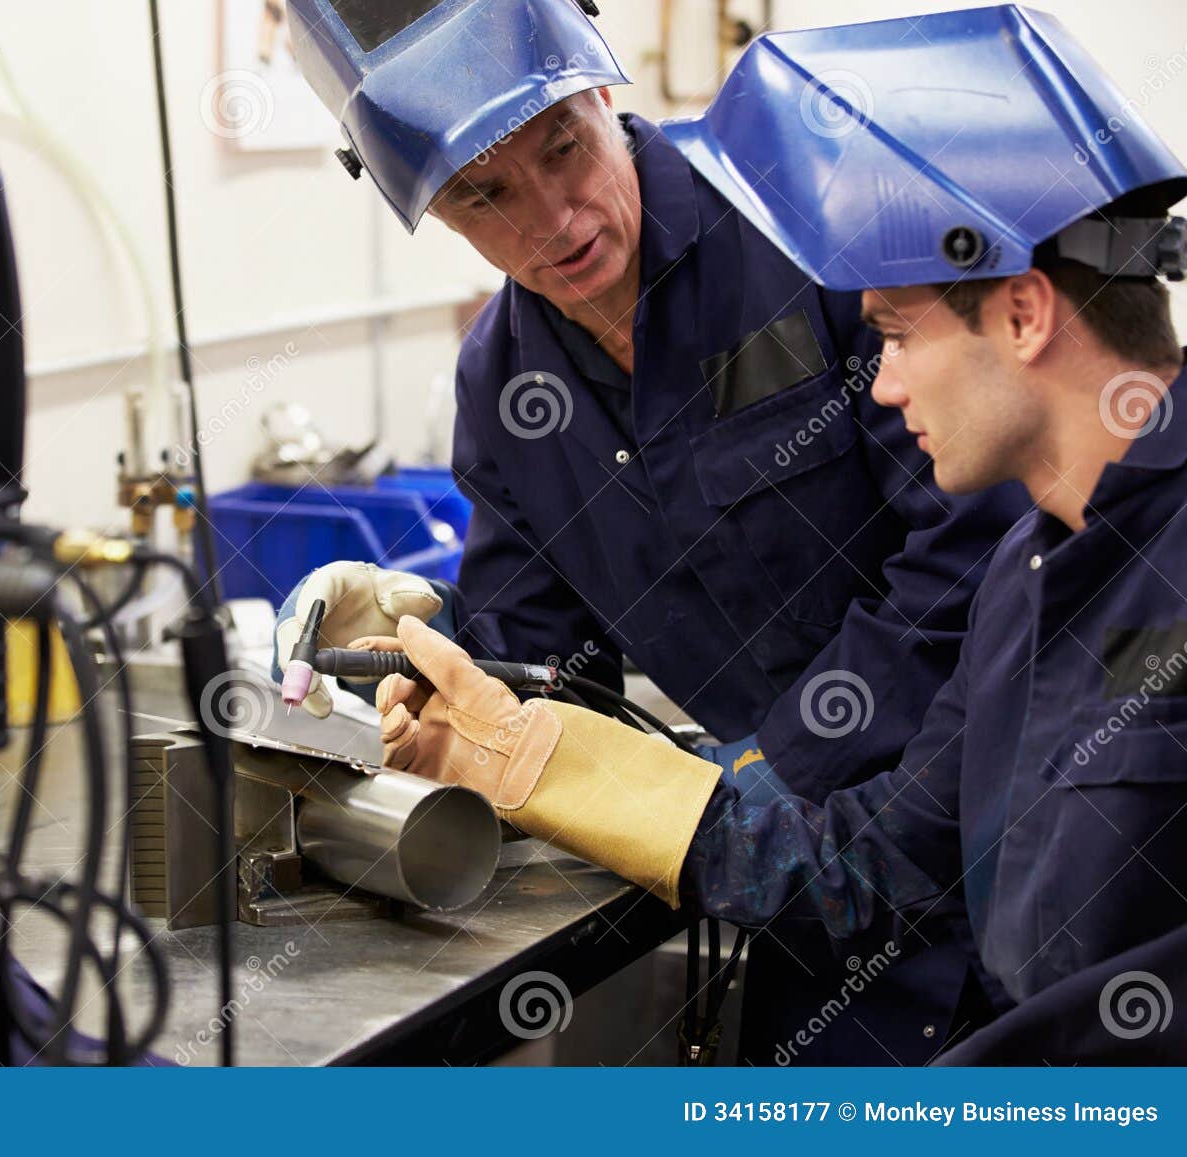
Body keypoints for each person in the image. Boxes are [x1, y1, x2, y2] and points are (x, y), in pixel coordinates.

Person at [368, 4, 1187, 1063]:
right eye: (484, 196)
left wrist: (762, 762)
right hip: (865, 930)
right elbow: (865, 863)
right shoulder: (1026, 589)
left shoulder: (794, 242)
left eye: (893, 334)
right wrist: (497, 726)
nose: (881, 384)